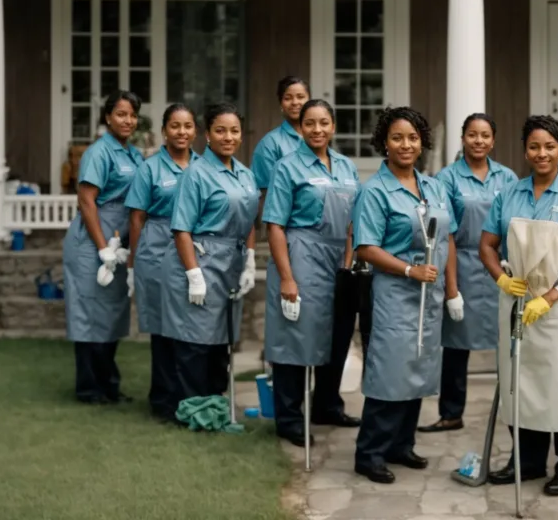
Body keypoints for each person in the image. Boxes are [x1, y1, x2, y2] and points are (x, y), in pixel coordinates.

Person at [481, 115, 558, 496]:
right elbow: (486, 245)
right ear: (524, 151)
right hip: (517, 301)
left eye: (549, 146)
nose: (542, 153)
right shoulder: (510, 195)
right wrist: (501, 278)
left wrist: (552, 296)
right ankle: (528, 462)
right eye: (534, 146)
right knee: (522, 383)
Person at [351, 106, 457, 484]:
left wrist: (453, 290)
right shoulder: (374, 191)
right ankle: (370, 452)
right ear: (384, 142)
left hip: (430, 294)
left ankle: (401, 445)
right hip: (395, 292)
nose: (406, 144)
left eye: (413, 137)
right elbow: (366, 248)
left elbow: (448, 238)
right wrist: (410, 270)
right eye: (397, 137)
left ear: (422, 142)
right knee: (389, 370)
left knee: (417, 367)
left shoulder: (433, 185)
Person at [262, 99, 361, 446]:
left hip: (338, 258)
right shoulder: (287, 167)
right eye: (310, 123)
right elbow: (274, 225)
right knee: (295, 334)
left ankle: (327, 405)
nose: (317, 129)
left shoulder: (347, 166)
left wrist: (348, 263)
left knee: (338, 332)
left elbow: (353, 222)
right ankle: (289, 418)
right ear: (300, 128)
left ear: (333, 126)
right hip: (301, 253)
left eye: (324, 123)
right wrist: (288, 277)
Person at [418, 113, 517, 434]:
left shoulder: (508, 178)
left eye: (485, 135)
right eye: (473, 135)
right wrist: (451, 289)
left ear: (493, 140)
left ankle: (514, 408)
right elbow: (445, 233)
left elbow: (518, 224)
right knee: (456, 347)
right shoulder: (447, 179)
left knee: (509, 343)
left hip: (501, 269)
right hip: (460, 264)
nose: (479, 141)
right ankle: (451, 412)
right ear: (462, 138)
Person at [160, 102, 260, 410]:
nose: (228, 137)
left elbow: (250, 220)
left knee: (221, 338)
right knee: (195, 340)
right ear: (207, 135)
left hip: (230, 263)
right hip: (201, 260)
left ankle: (215, 403)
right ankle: (193, 409)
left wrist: (251, 260)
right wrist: (194, 275)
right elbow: (181, 229)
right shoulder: (196, 174)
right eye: (220, 131)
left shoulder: (244, 174)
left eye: (234, 131)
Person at [62, 90, 144, 404]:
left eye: (132, 115)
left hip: (118, 244)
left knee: (111, 316)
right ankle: (89, 388)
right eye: (121, 114)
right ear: (107, 117)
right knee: (88, 316)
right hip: (91, 244)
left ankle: (109, 385)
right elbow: (86, 201)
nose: (128, 120)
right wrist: (101, 249)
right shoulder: (99, 152)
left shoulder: (134, 155)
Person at [125, 103, 200, 422]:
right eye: (175, 126)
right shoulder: (150, 168)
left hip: (195, 251)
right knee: (162, 328)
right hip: (156, 249)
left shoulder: (204, 167)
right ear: (164, 131)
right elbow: (137, 217)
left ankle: (191, 395)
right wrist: (133, 263)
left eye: (187, 126)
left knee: (190, 326)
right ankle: (164, 400)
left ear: (195, 131)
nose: (181, 132)